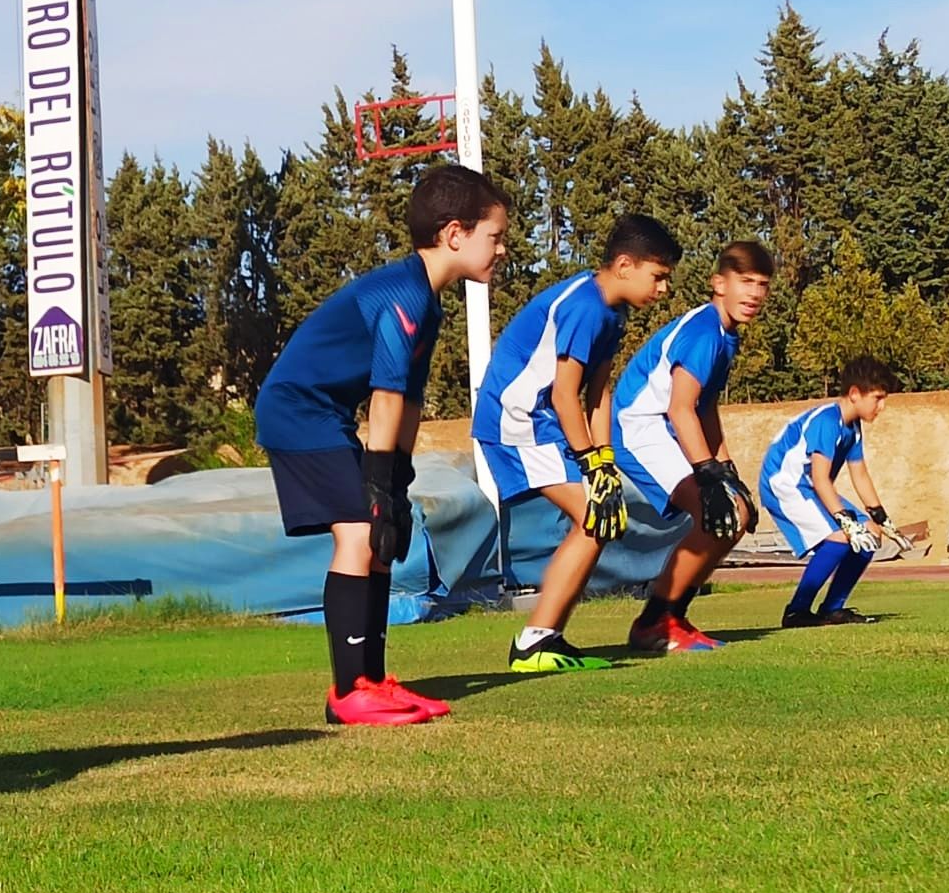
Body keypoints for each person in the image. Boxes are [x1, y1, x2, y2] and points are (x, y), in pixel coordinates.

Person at [254, 165, 509, 725]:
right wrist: (375, 483)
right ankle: (350, 693)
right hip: (298, 410)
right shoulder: (405, 293)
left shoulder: (428, 302)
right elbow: (386, 396)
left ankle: (370, 680)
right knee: (358, 530)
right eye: (494, 236)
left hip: (326, 414)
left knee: (381, 533)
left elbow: (410, 400)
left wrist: (396, 483)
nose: (502, 249)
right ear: (455, 234)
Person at [472, 215, 680, 672]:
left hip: (545, 421)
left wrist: (604, 461)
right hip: (519, 419)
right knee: (593, 517)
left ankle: (546, 637)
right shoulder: (585, 306)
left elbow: (598, 395)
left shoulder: (613, 312)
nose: (664, 289)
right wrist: (591, 463)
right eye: (658, 276)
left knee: (600, 518)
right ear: (624, 265)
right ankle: (534, 643)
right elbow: (565, 395)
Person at [610, 240, 775, 653]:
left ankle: (672, 617)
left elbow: (705, 407)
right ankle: (654, 623)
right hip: (640, 426)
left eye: (762, 285)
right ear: (719, 283)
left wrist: (727, 470)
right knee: (717, 514)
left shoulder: (725, 335)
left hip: (665, 425)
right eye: (746, 281)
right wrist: (706, 471)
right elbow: (680, 408)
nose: (755, 293)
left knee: (734, 513)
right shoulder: (704, 333)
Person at [759, 355, 908, 627]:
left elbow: (859, 473)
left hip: (810, 486)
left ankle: (832, 609)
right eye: (878, 398)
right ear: (855, 394)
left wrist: (881, 518)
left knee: (870, 533)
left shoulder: (853, 428)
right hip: (784, 484)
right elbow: (820, 478)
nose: (882, 407)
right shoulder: (827, 421)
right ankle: (796, 611)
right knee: (841, 537)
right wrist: (845, 522)